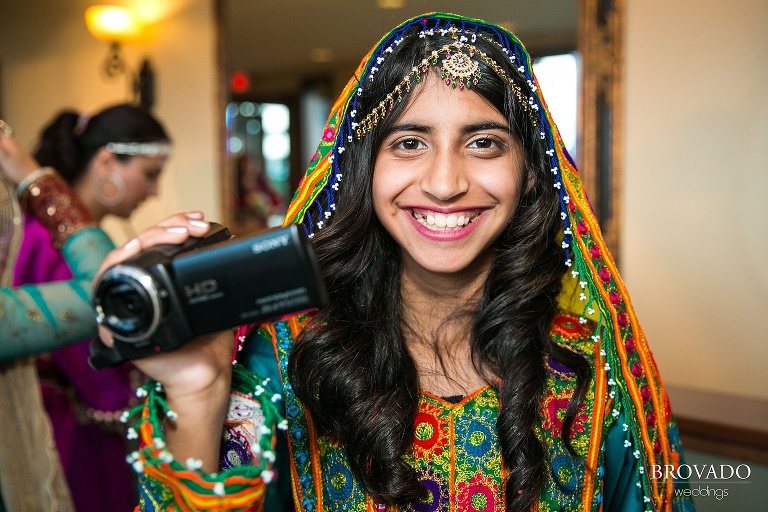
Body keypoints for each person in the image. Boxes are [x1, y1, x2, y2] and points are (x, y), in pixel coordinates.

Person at [98, 13, 695, 511]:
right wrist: (200, 390)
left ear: (531, 173)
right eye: (409, 143)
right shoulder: (285, 358)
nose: (443, 183)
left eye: (484, 143)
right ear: (363, 171)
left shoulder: (594, 373)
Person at [1, 104, 174, 512]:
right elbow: (102, 310)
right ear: (107, 161)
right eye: (150, 174)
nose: (155, 192)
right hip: (70, 430)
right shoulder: (46, 242)